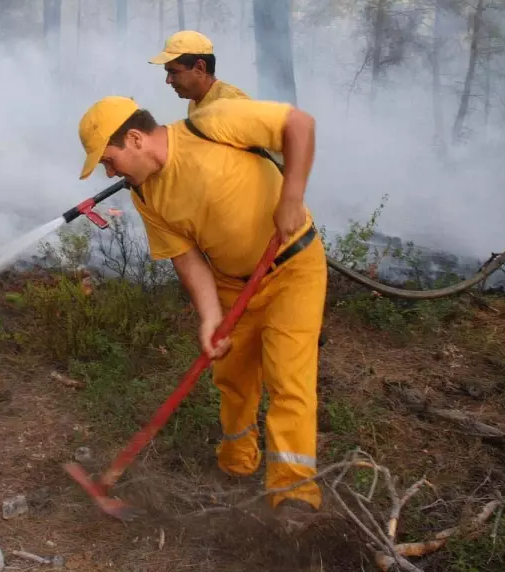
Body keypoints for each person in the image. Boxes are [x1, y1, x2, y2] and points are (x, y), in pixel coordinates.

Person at [76, 95, 327, 525]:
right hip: (233, 283)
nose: (110, 173)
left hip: (292, 268)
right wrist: (210, 317)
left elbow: (299, 124)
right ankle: (237, 462)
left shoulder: (213, 123)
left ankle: (292, 494)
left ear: (135, 139)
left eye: (110, 160)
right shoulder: (146, 195)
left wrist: (292, 197)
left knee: (288, 378)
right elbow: (187, 256)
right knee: (232, 376)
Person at [149, 30, 249, 116]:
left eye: (174, 72)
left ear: (200, 68)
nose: (168, 80)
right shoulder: (194, 101)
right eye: (168, 73)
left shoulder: (233, 103)